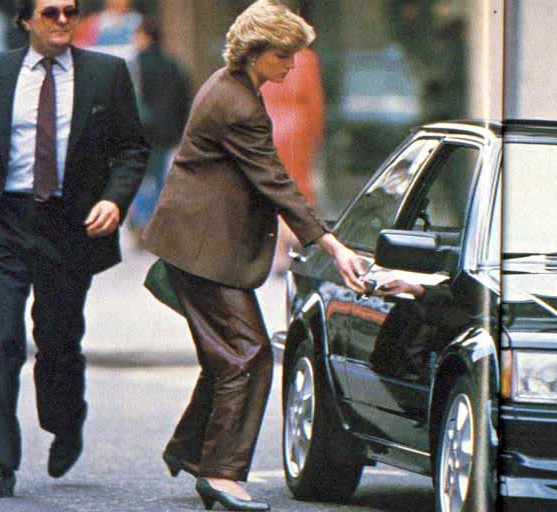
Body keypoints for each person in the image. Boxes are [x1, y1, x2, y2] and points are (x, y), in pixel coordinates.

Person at [0, 0, 148, 498]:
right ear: (25, 20)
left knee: (59, 338)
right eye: (50, 13)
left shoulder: (106, 73)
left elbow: (133, 148)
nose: (63, 20)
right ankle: (2, 462)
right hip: (4, 223)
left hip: (70, 227)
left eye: (70, 11)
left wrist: (114, 199)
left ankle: (65, 422)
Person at [142, 1, 365, 510]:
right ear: (255, 51)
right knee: (250, 355)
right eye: (283, 55)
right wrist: (331, 243)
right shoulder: (237, 104)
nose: (291, 65)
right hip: (202, 251)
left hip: (200, 247)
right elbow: (275, 181)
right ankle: (221, 473)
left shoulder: (230, 84)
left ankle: (194, 451)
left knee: (226, 356)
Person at [262, 44, 325, 272]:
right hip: (299, 127)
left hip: (268, 124)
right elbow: (315, 103)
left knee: (271, 189)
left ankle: (279, 250)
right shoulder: (306, 59)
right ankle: (301, 241)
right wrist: (316, 136)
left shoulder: (262, 56)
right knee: (301, 187)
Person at [126, 18, 191, 238]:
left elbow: (130, 98)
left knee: (140, 177)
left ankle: (142, 222)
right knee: (161, 177)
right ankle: (159, 224)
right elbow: (184, 98)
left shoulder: (136, 64)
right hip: (168, 132)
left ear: (145, 37)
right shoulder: (173, 65)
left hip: (143, 131)